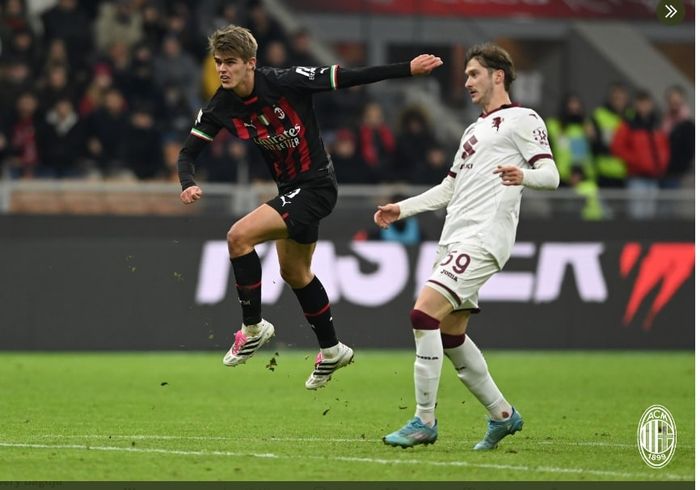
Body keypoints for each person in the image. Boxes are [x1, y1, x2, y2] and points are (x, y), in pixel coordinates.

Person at [177, 25, 442, 389]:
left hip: (316, 185)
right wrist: (188, 183)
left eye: (231, 62)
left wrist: (406, 69)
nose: (223, 69)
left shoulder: (286, 81)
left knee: (238, 237)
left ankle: (253, 327)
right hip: (290, 190)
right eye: (219, 62)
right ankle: (332, 350)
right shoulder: (221, 105)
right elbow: (188, 151)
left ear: (251, 64)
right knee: (295, 273)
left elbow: (348, 77)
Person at [375, 43, 559, 449]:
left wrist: (522, 176)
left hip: (484, 237)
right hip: (455, 237)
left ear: (498, 75)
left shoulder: (523, 119)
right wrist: (401, 209)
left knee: (423, 315)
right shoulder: (473, 130)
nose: (466, 82)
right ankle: (502, 415)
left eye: (474, 73)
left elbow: (551, 175)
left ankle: (424, 420)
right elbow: (449, 188)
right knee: (451, 334)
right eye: (466, 75)